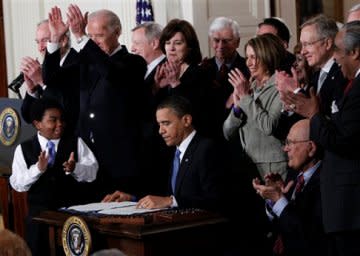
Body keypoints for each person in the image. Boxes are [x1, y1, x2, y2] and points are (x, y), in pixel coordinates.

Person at [281, 20, 360, 256]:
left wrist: (313, 113)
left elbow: (344, 140)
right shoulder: (319, 77)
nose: (336, 58)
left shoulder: (348, 82)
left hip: (349, 200)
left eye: (338, 51)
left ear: (354, 52)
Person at [65, 4, 147, 196]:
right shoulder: (86, 62)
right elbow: (54, 80)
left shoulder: (133, 62)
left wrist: (81, 37)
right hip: (87, 160)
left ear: (117, 32)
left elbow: (111, 72)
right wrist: (54, 41)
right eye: (90, 36)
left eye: (99, 36)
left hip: (119, 162)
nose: (94, 42)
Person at [103, 96, 225, 211]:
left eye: (166, 123)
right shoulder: (174, 151)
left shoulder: (207, 149)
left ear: (186, 120)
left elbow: (217, 200)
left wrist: (171, 201)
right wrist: (133, 199)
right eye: (159, 124)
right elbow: (164, 197)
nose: (160, 131)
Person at [10, 98, 98, 255]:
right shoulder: (23, 149)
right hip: (39, 222)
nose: (60, 124)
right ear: (38, 124)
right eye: (53, 120)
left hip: (72, 220)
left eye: (61, 120)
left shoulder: (76, 143)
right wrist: (37, 169)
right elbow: (17, 184)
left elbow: (93, 173)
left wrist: (75, 167)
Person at [253, 119, 326, 256]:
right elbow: (281, 224)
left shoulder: (326, 181)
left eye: (290, 143)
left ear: (311, 147)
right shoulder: (293, 173)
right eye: (285, 143)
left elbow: (306, 237)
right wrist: (274, 199)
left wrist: (279, 200)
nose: (285, 148)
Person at [223, 33, 288, 180]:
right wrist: (237, 109)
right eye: (247, 57)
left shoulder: (281, 86)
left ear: (268, 56)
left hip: (273, 166)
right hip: (248, 165)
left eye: (254, 57)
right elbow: (227, 132)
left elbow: (269, 126)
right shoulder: (250, 87)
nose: (248, 63)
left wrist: (245, 98)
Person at [277, 14, 347, 118]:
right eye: (302, 45)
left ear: (327, 43)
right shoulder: (317, 75)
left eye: (308, 44)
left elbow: (324, 115)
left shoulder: (342, 73)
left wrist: (296, 91)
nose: (303, 51)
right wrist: (290, 104)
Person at [21, 16, 79, 135]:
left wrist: (42, 82)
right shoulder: (43, 68)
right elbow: (28, 117)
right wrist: (32, 90)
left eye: (45, 40)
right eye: (38, 41)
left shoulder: (78, 64)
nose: (40, 47)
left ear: (63, 41)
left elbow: (66, 112)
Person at [131, 22, 170, 195]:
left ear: (154, 43)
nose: (132, 48)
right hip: (143, 150)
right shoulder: (142, 71)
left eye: (137, 44)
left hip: (158, 150)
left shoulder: (167, 69)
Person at [154, 19, 211, 138]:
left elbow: (192, 113)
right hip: (163, 139)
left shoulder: (200, 74)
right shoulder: (161, 71)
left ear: (189, 47)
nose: (171, 48)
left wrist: (175, 84)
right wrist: (156, 87)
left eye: (178, 43)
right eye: (168, 43)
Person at [200, 17, 250, 139]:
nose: (221, 46)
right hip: (207, 136)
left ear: (237, 42)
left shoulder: (248, 68)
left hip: (237, 137)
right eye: (216, 40)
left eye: (227, 41)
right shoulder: (201, 69)